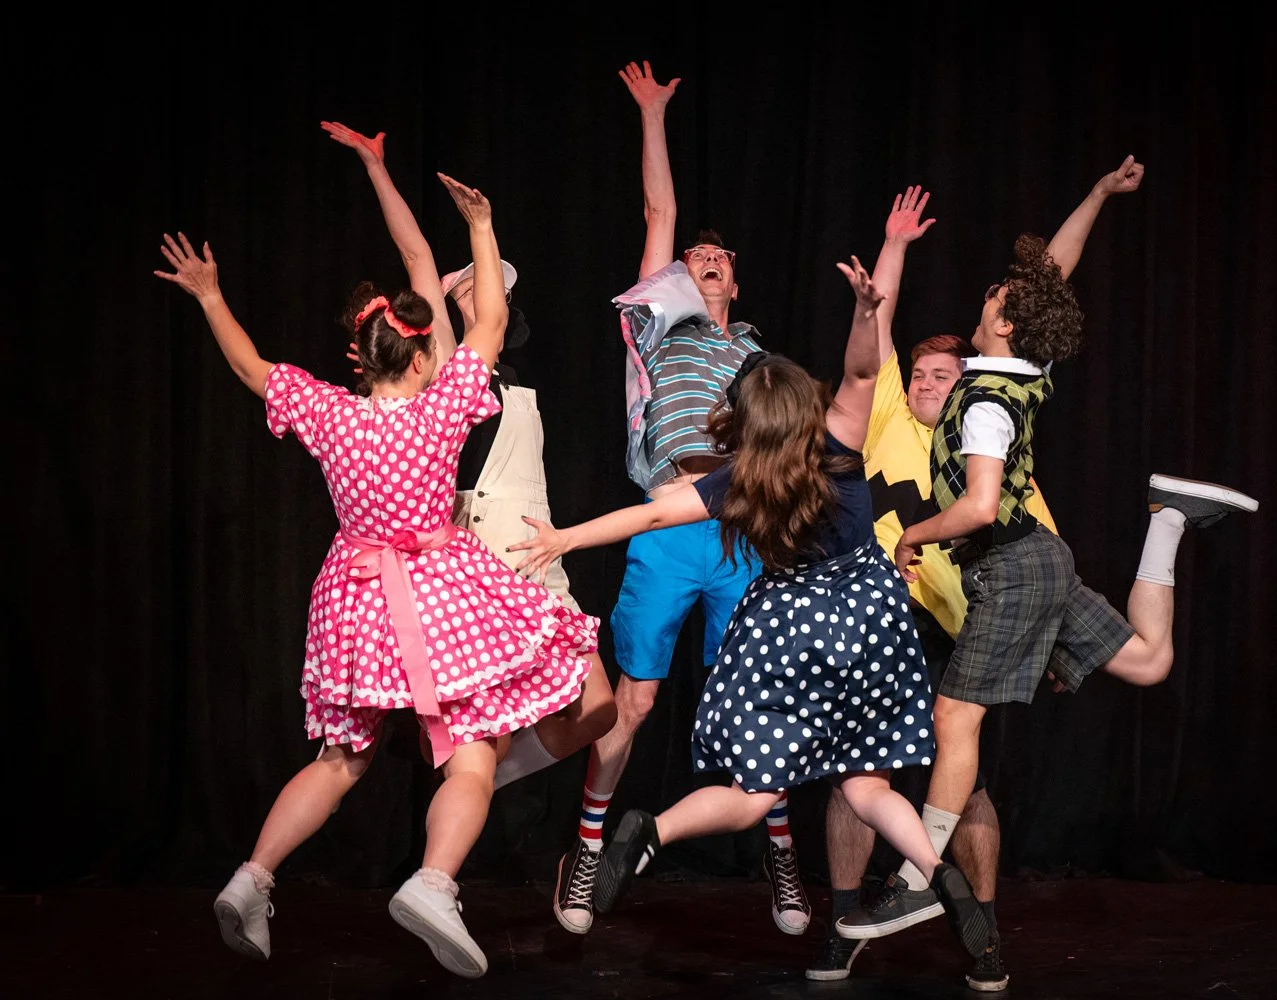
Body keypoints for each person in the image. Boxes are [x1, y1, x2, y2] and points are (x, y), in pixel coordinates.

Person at [154, 173, 598, 980]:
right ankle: (433, 882)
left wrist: (211, 296)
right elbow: (491, 320)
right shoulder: (442, 407)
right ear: (422, 355)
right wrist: (482, 227)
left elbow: (253, 369)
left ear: (363, 356)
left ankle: (252, 876)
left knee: (341, 759)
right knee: (473, 755)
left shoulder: (331, 412)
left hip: (355, 601)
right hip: (439, 592)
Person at [513, 256, 993, 963]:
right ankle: (936, 872)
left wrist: (565, 537)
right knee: (865, 783)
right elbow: (863, 371)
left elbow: (650, 517)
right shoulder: (836, 444)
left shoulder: (739, 478)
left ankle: (653, 830)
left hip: (789, 627)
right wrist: (867, 311)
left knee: (753, 789)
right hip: (868, 620)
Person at [835, 216, 1258, 987]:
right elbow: (1047, 283)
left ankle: (916, 881)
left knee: (953, 719)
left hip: (1013, 567)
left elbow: (980, 508)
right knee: (1150, 662)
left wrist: (913, 537)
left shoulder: (983, 401)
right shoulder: (1020, 372)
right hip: (1041, 564)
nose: (989, 295)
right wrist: (1098, 196)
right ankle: (1167, 520)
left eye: (996, 296)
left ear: (1003, 325)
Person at [812, 161, 1146, 991]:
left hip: (975, 610)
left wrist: (1048, 635)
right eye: (920, 373)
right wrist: (891, 252)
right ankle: (848, 925)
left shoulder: (985, 422)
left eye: (944, 372)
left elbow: (1012, 530)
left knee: (965, 769)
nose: (930, 380)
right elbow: (879, 331)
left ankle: (978, 930)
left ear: (971, 371)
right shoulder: (890, 416)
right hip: (888, 617)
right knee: (859, 776)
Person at [547, 60, 806, 938]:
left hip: (740, 531)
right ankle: (588, 848)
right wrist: (653, 115)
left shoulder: (758, 359)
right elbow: (659, 213)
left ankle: (779, 849)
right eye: (695, 259)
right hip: (665, 518)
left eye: (720, 260)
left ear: (737, 283)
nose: (707, 262)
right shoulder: (659, 325)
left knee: (760, 699)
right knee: (637, 700)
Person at [322, 123, 617, 823]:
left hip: (536, 552)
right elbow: (416, 253)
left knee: (599, 709)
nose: (484, 292)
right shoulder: (449, 367)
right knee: (485, 738)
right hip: (475, 566)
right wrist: (376, 167)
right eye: (474, 284)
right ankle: (465, 798)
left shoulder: (519, 379)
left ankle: (481, 785)